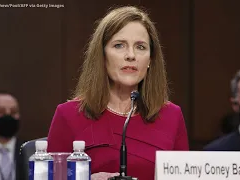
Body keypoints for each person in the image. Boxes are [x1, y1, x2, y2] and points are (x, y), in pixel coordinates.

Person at [47, 6, 189, 180]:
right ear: (102, 55)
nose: (131, 55)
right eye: (119, 45)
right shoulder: (68, 115)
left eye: (141, 47)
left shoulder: (172, 116)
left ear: (150, 60)